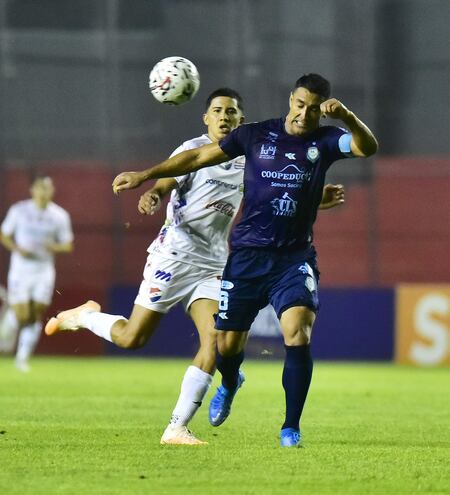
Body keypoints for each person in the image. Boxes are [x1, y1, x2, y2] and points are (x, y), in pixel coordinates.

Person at [45, 87, 346, 446]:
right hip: (173, 255)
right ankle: (83, 317)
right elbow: (173, 177)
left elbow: (272, 190)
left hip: (215, 263)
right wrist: (154, 191)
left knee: (215, 342)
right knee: (132, 338)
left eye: (232, 112)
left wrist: (316, 196)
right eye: (217, 111)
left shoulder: (251, 154)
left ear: (241, 119)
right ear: (206, 117)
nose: (224, 117)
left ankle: (176, 427)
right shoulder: (193, 148)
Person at [109, 73, 378, 448]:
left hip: (293, 258)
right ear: (291, 100)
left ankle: (290, 427)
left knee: (297, 332)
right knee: (226, 347)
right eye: (300, 105)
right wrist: (146, 176)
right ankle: (231, 381)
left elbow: (367, 147)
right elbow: (200, 156)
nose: (304, 114)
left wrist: (347, 117)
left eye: (313, 109)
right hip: (246, 258)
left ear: (321, 111)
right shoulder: (255, 135)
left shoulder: (326, 141)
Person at [0, 176, 74, 371]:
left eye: (47, 188)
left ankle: (22, 359)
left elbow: (68, 245)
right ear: (32, 190)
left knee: (36, 313)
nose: (43, 192)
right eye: (40, 188)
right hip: (20, 270)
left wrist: (54, 246)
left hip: (44, 271)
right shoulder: (19, 210)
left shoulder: (59, 215)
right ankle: (8, 323)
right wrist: (16, 248)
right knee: (23, 315)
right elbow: (4, 234)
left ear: (52, 191)